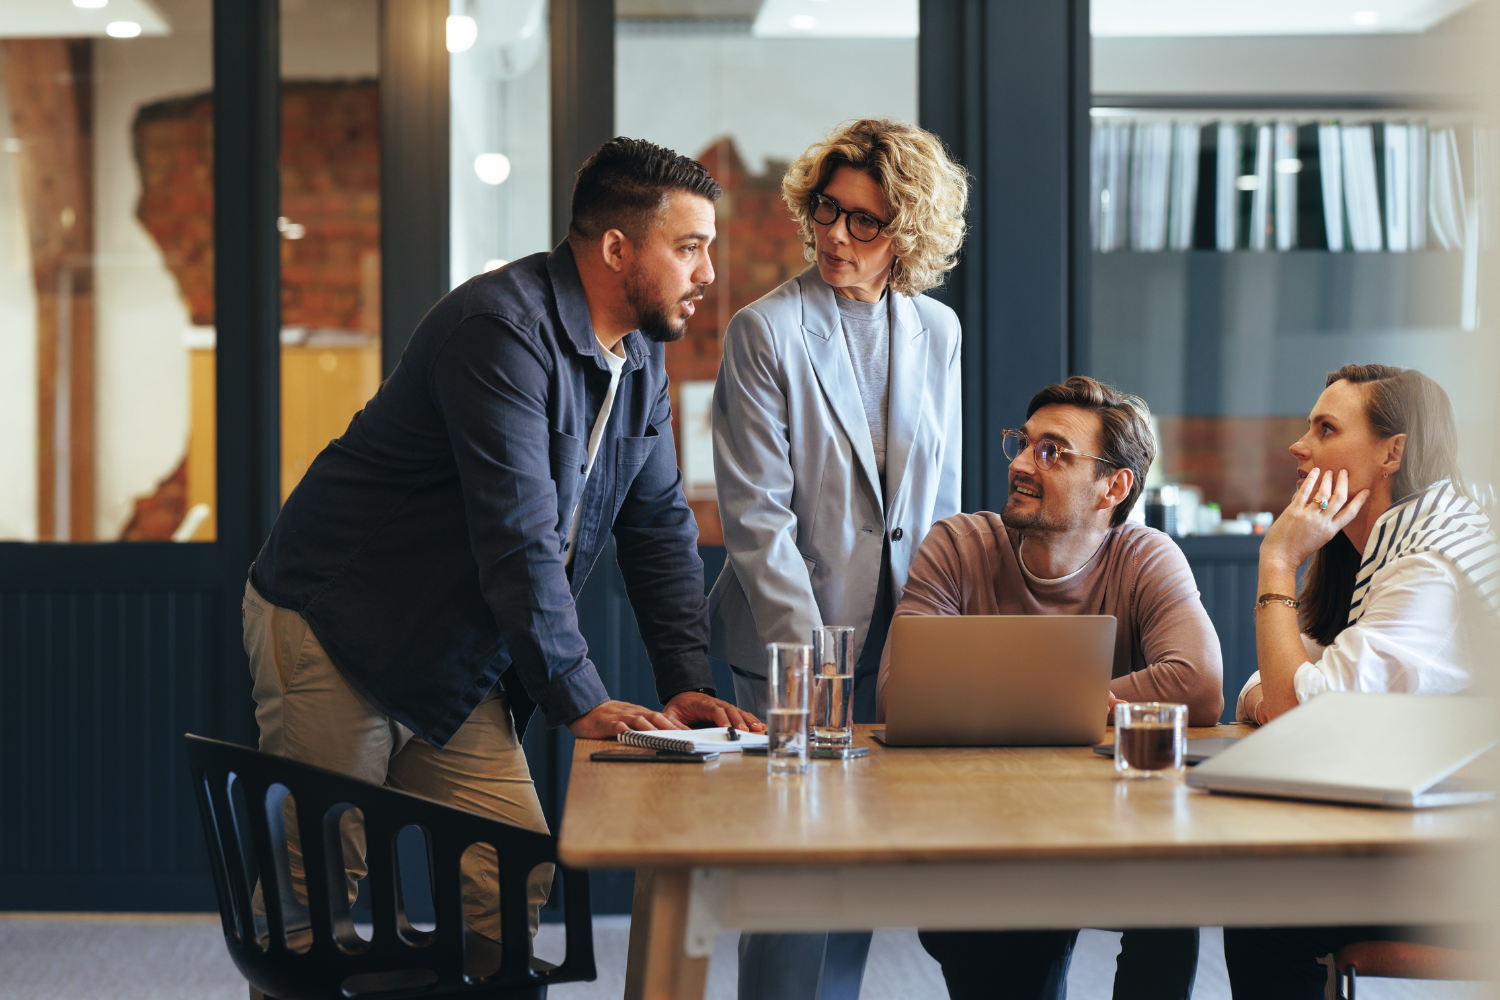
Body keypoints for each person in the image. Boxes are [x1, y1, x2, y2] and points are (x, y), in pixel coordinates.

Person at [243, 138, 760, 946]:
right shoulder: (500, 332)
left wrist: (686, 683)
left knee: (509, 869)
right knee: (316, 889)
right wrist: (579, 696)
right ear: (618, 248)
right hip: (338, 627)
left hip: (453, 651)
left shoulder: (638, 361)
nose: (707, 275)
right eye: (690, 248)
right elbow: (518, 537)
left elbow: (657, 525)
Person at [708, 118, 967, 1000]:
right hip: (792, 645)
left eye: (867, 222)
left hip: (901, 640)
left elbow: (941, 501)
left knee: (853, 869)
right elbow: (755, 520)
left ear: (911, 234)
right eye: (828, 211)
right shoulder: (764, 332)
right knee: (790, 882)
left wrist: (937, 634)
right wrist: (812, 669)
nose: (838, 238)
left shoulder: (938, 330)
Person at [878, 376, 1224, 1000]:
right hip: (987, 828)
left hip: (1113, 823)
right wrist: (1091, 704)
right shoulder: (957, 545)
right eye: (1023, 443)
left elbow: (1197, 682)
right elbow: (901, 691)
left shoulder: (1146, 555)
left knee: (1172, 898)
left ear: (1113, 487)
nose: (1019, 463)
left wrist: (1025, 702)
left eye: (1052, 452)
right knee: (988, 939)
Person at [1225, 364, 1500, 999]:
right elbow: (1271, 688)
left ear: (1392, 451)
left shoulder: (1429, 567)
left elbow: (1302, 713)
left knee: (1260, 907)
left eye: (1325, 429)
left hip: (1467, 875)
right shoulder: (1384, 546)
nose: (1299, 445)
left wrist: (1276, 561)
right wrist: (1283, 692)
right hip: (1426, 841)